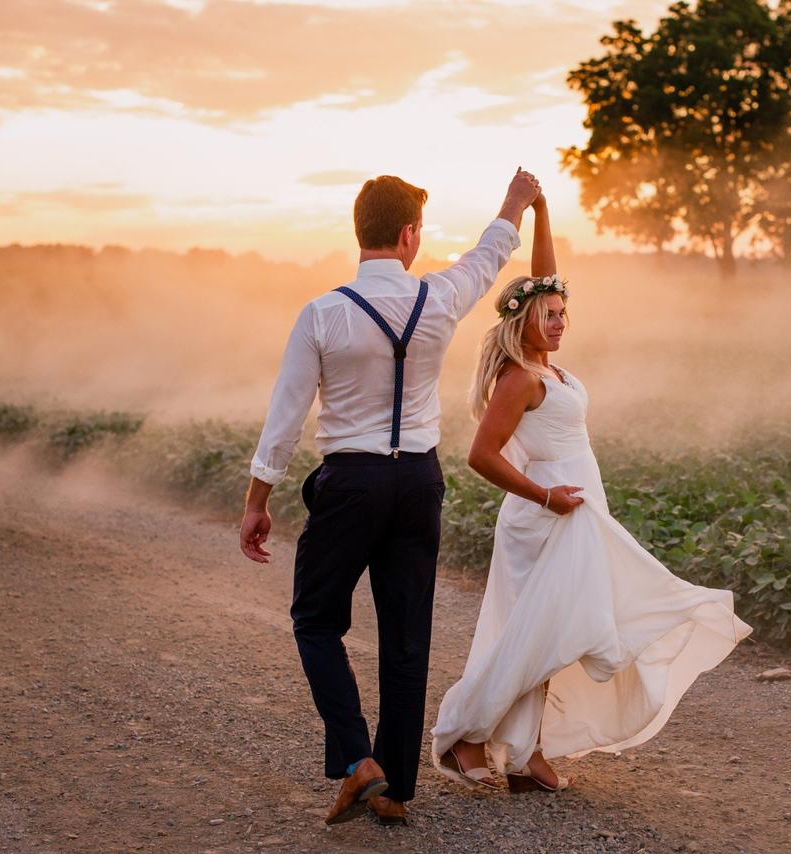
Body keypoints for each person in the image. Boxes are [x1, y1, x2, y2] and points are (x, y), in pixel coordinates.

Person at [238, 169, 540, 825]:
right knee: (407, 639)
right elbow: (491, 254)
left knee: (316, 620)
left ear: (361, 232)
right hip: (417, 485)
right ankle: (395, 789)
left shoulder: (323, 312)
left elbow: (286, 416)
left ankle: (359, 758)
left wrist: (257, 498)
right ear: (408, 235)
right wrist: (515, 202)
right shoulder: (438, 298)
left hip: (351, 482)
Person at [429, 189, 752, 793]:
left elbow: (548, 277)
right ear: (524, 319)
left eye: (562, 313)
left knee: (561, 633)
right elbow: (480, 456)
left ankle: (526, 752)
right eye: (548, 314)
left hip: (580, 515)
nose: (559, 322)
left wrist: (544, 214)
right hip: (544, 518)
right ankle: (469, 733)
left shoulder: (552, 370)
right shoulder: (518, 379)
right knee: (543, 635)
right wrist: (545, 498)